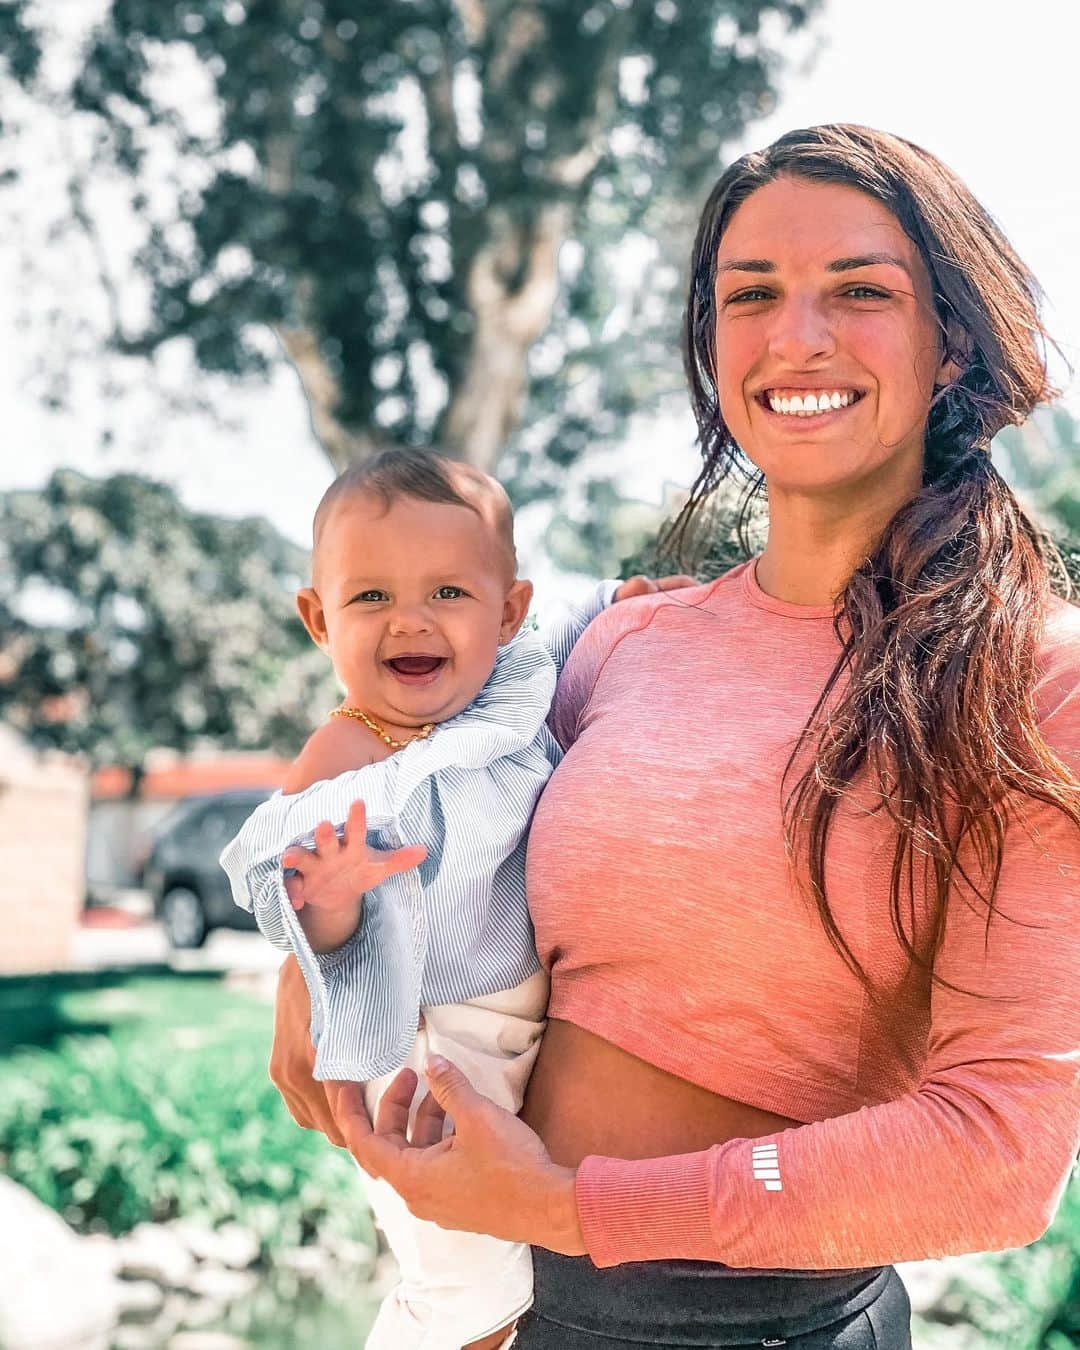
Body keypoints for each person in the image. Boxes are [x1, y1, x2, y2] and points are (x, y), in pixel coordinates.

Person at [264, 125, 1080, 1349]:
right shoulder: (621, 644)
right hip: (502, 1304)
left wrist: (572, 1205)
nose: (796, 336)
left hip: (755, 1325)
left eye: (860, 292)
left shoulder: (1028, 676)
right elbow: (420, 760)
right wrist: (323, 958)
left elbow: (998, 1154)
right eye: (750, 296)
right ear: (711, 344)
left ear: (950, 337)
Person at [220, 449, 691, 1350]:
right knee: (473, 1291)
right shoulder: (351, 755)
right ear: (318, 620)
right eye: (370, 599)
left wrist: (630, 601)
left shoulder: (506, 684)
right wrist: (333, 897)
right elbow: (300, 909)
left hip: (512, 1029)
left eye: (447, 594)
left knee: (502, 1265)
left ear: (505, 611)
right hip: (427, 1045)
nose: (410, 622)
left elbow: (570, 621)